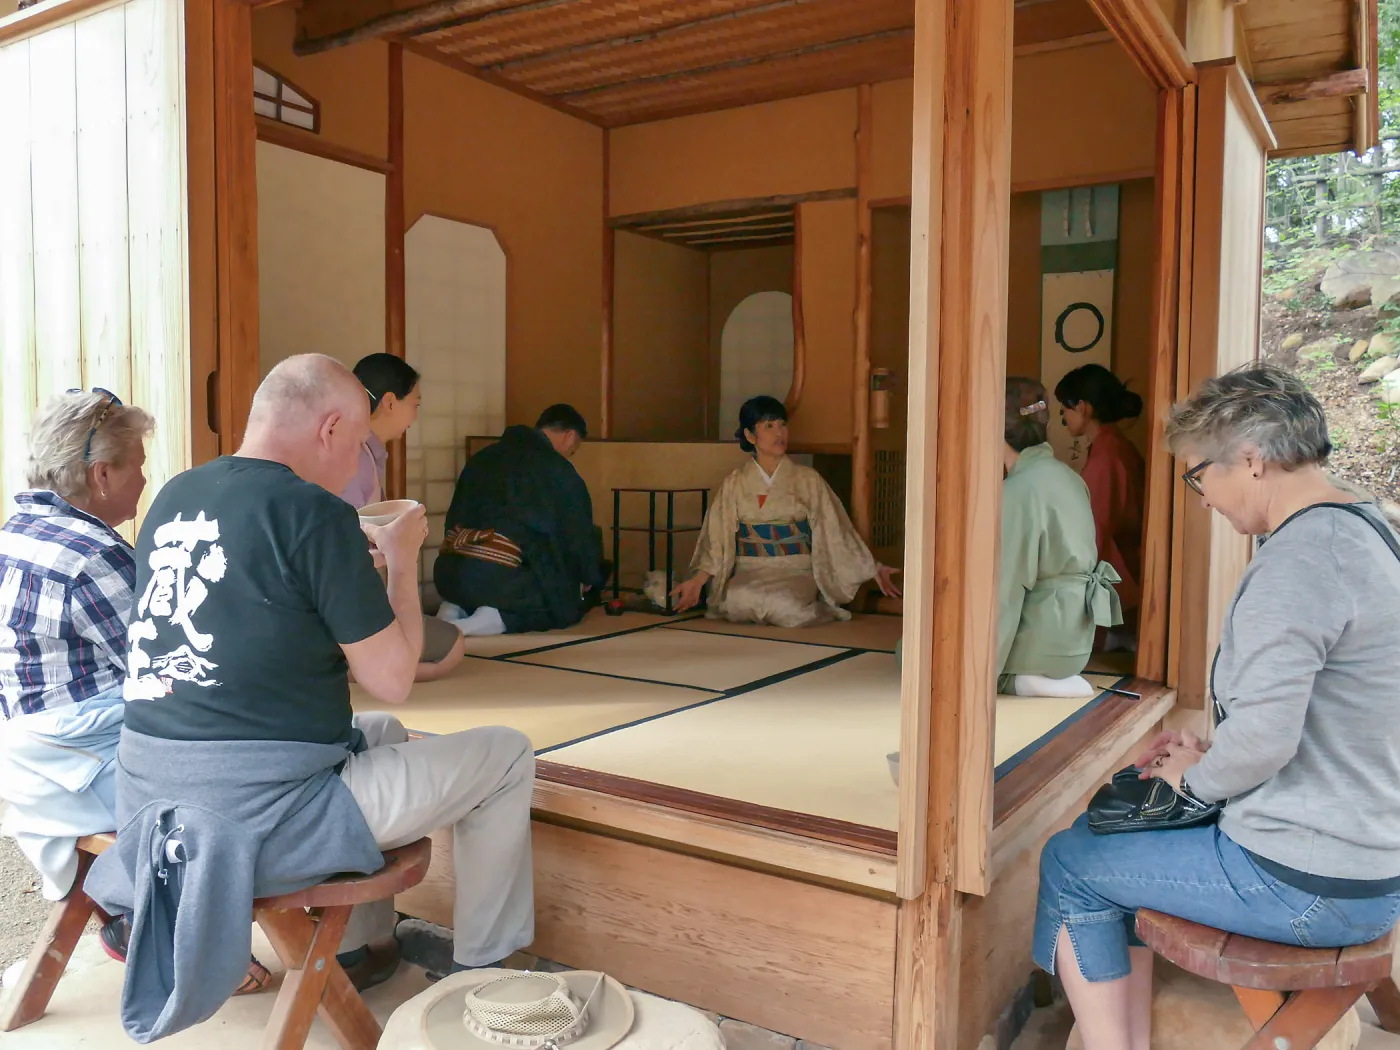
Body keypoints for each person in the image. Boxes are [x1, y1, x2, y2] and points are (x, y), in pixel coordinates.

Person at [86, 356, 535, 1041]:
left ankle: (355, 951)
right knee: (504, 754)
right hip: (260, 820)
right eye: (358, 444)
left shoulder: (175, 497)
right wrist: (405, 557)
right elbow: (395, 675)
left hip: (153, 802)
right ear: (330, 428)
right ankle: (488, 970)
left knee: (378, 731)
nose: (357, 460)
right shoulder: (315, 513)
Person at [1035, 365, 1400, 1050]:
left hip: (1310, 881)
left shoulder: (1299, 561)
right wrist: (1208, 755)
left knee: (1071, 860)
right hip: (1364, 850)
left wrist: (1190, 786)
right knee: (1120, 835)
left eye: (1198, 477)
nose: (1201, 498)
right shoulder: (1366, 530)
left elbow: (1264, 742)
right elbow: (1323, 715)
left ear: (1253, 460)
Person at [0, 391, 272, 993]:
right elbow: (171, 669)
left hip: (25, 758)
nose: (146, 478)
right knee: (244, 763)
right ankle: (162, 922)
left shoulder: (15, 530)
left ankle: (136, 914)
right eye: (139, 465)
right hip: (85, 759)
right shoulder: (94, 555)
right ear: (101, 475)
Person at [671, 395, 900, 626]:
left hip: (795, 569)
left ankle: (817, 604)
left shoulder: (808, 479)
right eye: (769, 426)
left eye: (782, 425)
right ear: (750, 436)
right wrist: (698, 581)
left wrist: (872, 568)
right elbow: (717, 539)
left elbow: (835, 528)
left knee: (786, 605)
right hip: (751, 568)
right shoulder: (734, 483)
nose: (779, 433)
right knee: (736, 601)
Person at [342, 352, 465, 681]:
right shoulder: (355, 455)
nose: (416, 414)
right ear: (390, 402)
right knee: (452, 647)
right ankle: (349, 667)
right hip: (340, 605)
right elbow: (342, 545)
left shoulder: (356, 449)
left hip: (338, 600)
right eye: (416, 403)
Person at [434, 404, 605, 636]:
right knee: (561, 604)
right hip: (500, 580)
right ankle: (486, 620)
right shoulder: (557, 470)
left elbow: (453, 518)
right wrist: (588, 576)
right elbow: (577, 533)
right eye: (573, 449)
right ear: (569, 436)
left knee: (491, 576)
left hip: (448, 574)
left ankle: (453, 607)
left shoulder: (483, 457)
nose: (569, 454)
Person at [999, 379, 1122, 698]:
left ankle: (1021, 680)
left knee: (921, 657)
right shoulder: (1069, 477)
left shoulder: (1018, 490)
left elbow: (1005, 587)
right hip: (1078, 638)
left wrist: (984, 666)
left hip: (1041, 644)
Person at [1054, 364, 1146, 652]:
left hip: (1118, 576)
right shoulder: (1113, 447)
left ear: (1082, 407)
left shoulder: (1107, 455)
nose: (1063, 417)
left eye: (1064, 409)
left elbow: (1097, 530)